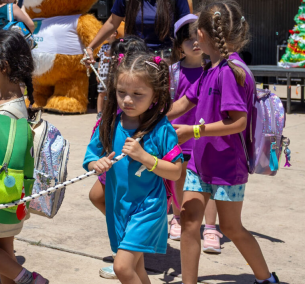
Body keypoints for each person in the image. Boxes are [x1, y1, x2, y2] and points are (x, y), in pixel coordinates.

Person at [167, 0, 280, 284]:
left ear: (201, 35)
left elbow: (237, 122)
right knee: (190, 220)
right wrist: (156, 119)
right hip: (200, 164)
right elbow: (186, 101)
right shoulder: (211, 68)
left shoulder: (231, 72)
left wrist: (192, 131)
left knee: (231, 226)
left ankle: (266, 279)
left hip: (227, 167)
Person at [84, 52, 184, 284]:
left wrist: (145, 157)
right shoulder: (109, 123)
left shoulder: (161, 128)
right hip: (119, 206)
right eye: (122, 92)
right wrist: (96, 164)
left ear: (156, 95)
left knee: (122, 267)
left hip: (148, 207)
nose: (128, 100)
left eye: (138, 94)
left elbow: (176, 171)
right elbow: (91, 156)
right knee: (137, 269)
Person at [0, 30, 48, 284]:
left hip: (1, 195)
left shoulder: (6, 113)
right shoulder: (18, 104)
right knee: (5, 250)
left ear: (4, 67)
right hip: (16, 194)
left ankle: (29, 279)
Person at [86, 34, 151, 279]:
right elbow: (90, 154)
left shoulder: (145, 101)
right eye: (115, 59)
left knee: (127, 265)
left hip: (134, 167)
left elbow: (173, 167)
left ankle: (127, 250)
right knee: (99, 197)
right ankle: (128, 246)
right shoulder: (117, 93)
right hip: (113, 157)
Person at [166, 15, 220, 248]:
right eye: (188, 40)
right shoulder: (173, 72)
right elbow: (168, 103)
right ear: (179, 46)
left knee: (207, 182)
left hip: (205, 134)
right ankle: (177, 218)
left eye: (198, 38)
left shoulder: (215, 70)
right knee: (178, 178)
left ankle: (210, 228)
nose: (195, 44)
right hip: (179, 134)